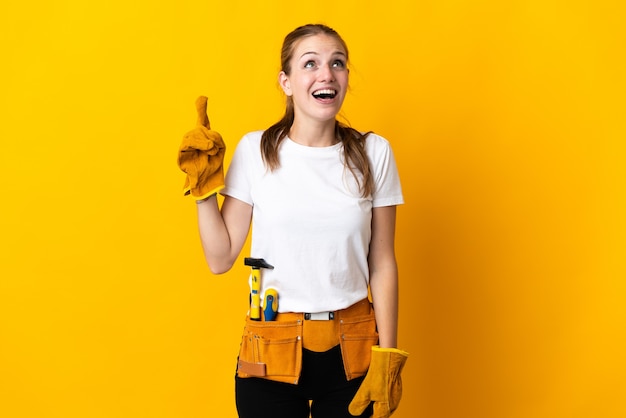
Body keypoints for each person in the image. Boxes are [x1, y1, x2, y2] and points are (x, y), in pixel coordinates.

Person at [178, 23, 408, 418]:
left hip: (353, 348)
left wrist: (387, 355)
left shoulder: (375, 152)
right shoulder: (256, 151)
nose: (326, 74)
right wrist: (202, 189)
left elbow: (382, 260)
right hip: (270, 349)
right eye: (310, 64)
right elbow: (220, 259)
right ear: (286, 82)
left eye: (337, 63)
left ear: (346, 78)